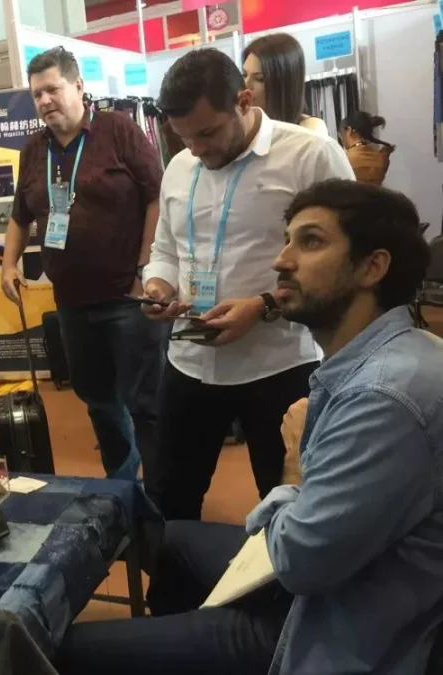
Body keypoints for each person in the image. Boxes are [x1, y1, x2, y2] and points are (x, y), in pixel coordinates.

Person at [58, 179, 442, 675]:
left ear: (374, 266)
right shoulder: (393, 353)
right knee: (167, 539)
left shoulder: (383, 396)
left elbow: (298, 564)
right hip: (342, 577)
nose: (281, 260)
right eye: (287, 240)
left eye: (310, 242)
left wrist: (295, 465)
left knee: (61, 651)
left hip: (328, 623)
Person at [141, 48, 355, 519]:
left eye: (206, 133)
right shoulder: (180, 166)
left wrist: (262, 307)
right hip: (189, 362)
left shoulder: (310, 156)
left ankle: (278, 572)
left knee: (286, 505)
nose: (196, 149)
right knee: (171, 499)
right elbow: (166, 251)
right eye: (183, 137)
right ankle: (173, 571)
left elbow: (344, 265)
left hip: (278, 366)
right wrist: (157, 287)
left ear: (243, 101)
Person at [1, 46, 164, 484]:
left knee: (146, 404)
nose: (44, 101)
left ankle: (162, 494)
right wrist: (8, 265)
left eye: (52, 89)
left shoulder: (118, 130)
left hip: (128, 298)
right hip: (72, 304)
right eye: (37, 95)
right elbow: (19, 216)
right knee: (100, 403)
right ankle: (122, 488)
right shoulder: (33, 151)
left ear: (78, 86)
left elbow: (157, 196)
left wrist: (144, 268)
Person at [242, 34, 328, 135]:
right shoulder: (245, 125)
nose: (246, 85)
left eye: (260, 79)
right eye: (244, 75)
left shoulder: (309, 131)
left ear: (283, 85)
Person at [340, 110, 395, 185]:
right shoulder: (382, 159)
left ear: (348, 130)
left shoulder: (345, 159)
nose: (342, 139)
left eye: (341, 134)